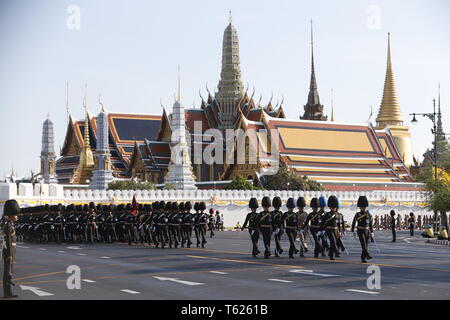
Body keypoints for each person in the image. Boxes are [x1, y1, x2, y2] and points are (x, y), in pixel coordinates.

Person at [2, 199, 20, 298]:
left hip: (11, 251)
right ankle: (7, 292)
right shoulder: (8, 225)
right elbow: (8, 241)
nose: (17, 216)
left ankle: (8, 291)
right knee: (8, 272)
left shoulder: (10, 224)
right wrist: (9, 255)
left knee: (9, 272)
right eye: (15, 214)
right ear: (11, 215)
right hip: (9, 252)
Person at [351, 196, 373, 263]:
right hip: (360, 230)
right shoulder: (358, 214)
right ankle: (367, 255)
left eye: (364, 207)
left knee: (366, 245)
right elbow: (354, 222)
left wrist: (372, 231)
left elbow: (370, 223)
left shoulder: (368, 214)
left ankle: (363, 258)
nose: (363, 208)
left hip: (366, 230)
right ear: (360, 207)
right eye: (362, 207)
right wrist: (353, 231)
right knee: (363, 244)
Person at [320, 196, 341, 260]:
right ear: (330, 207)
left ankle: (331, 255)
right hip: (329, 230)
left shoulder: (337, 215)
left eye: (334, 207)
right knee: (333, 241)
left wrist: (339, 231)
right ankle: (337, 252)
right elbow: (322, 223)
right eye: (332, 207)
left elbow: (338, 224)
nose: (333, 208)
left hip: (335, 230)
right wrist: (322, 230)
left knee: (333, 243)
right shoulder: (327, 214)